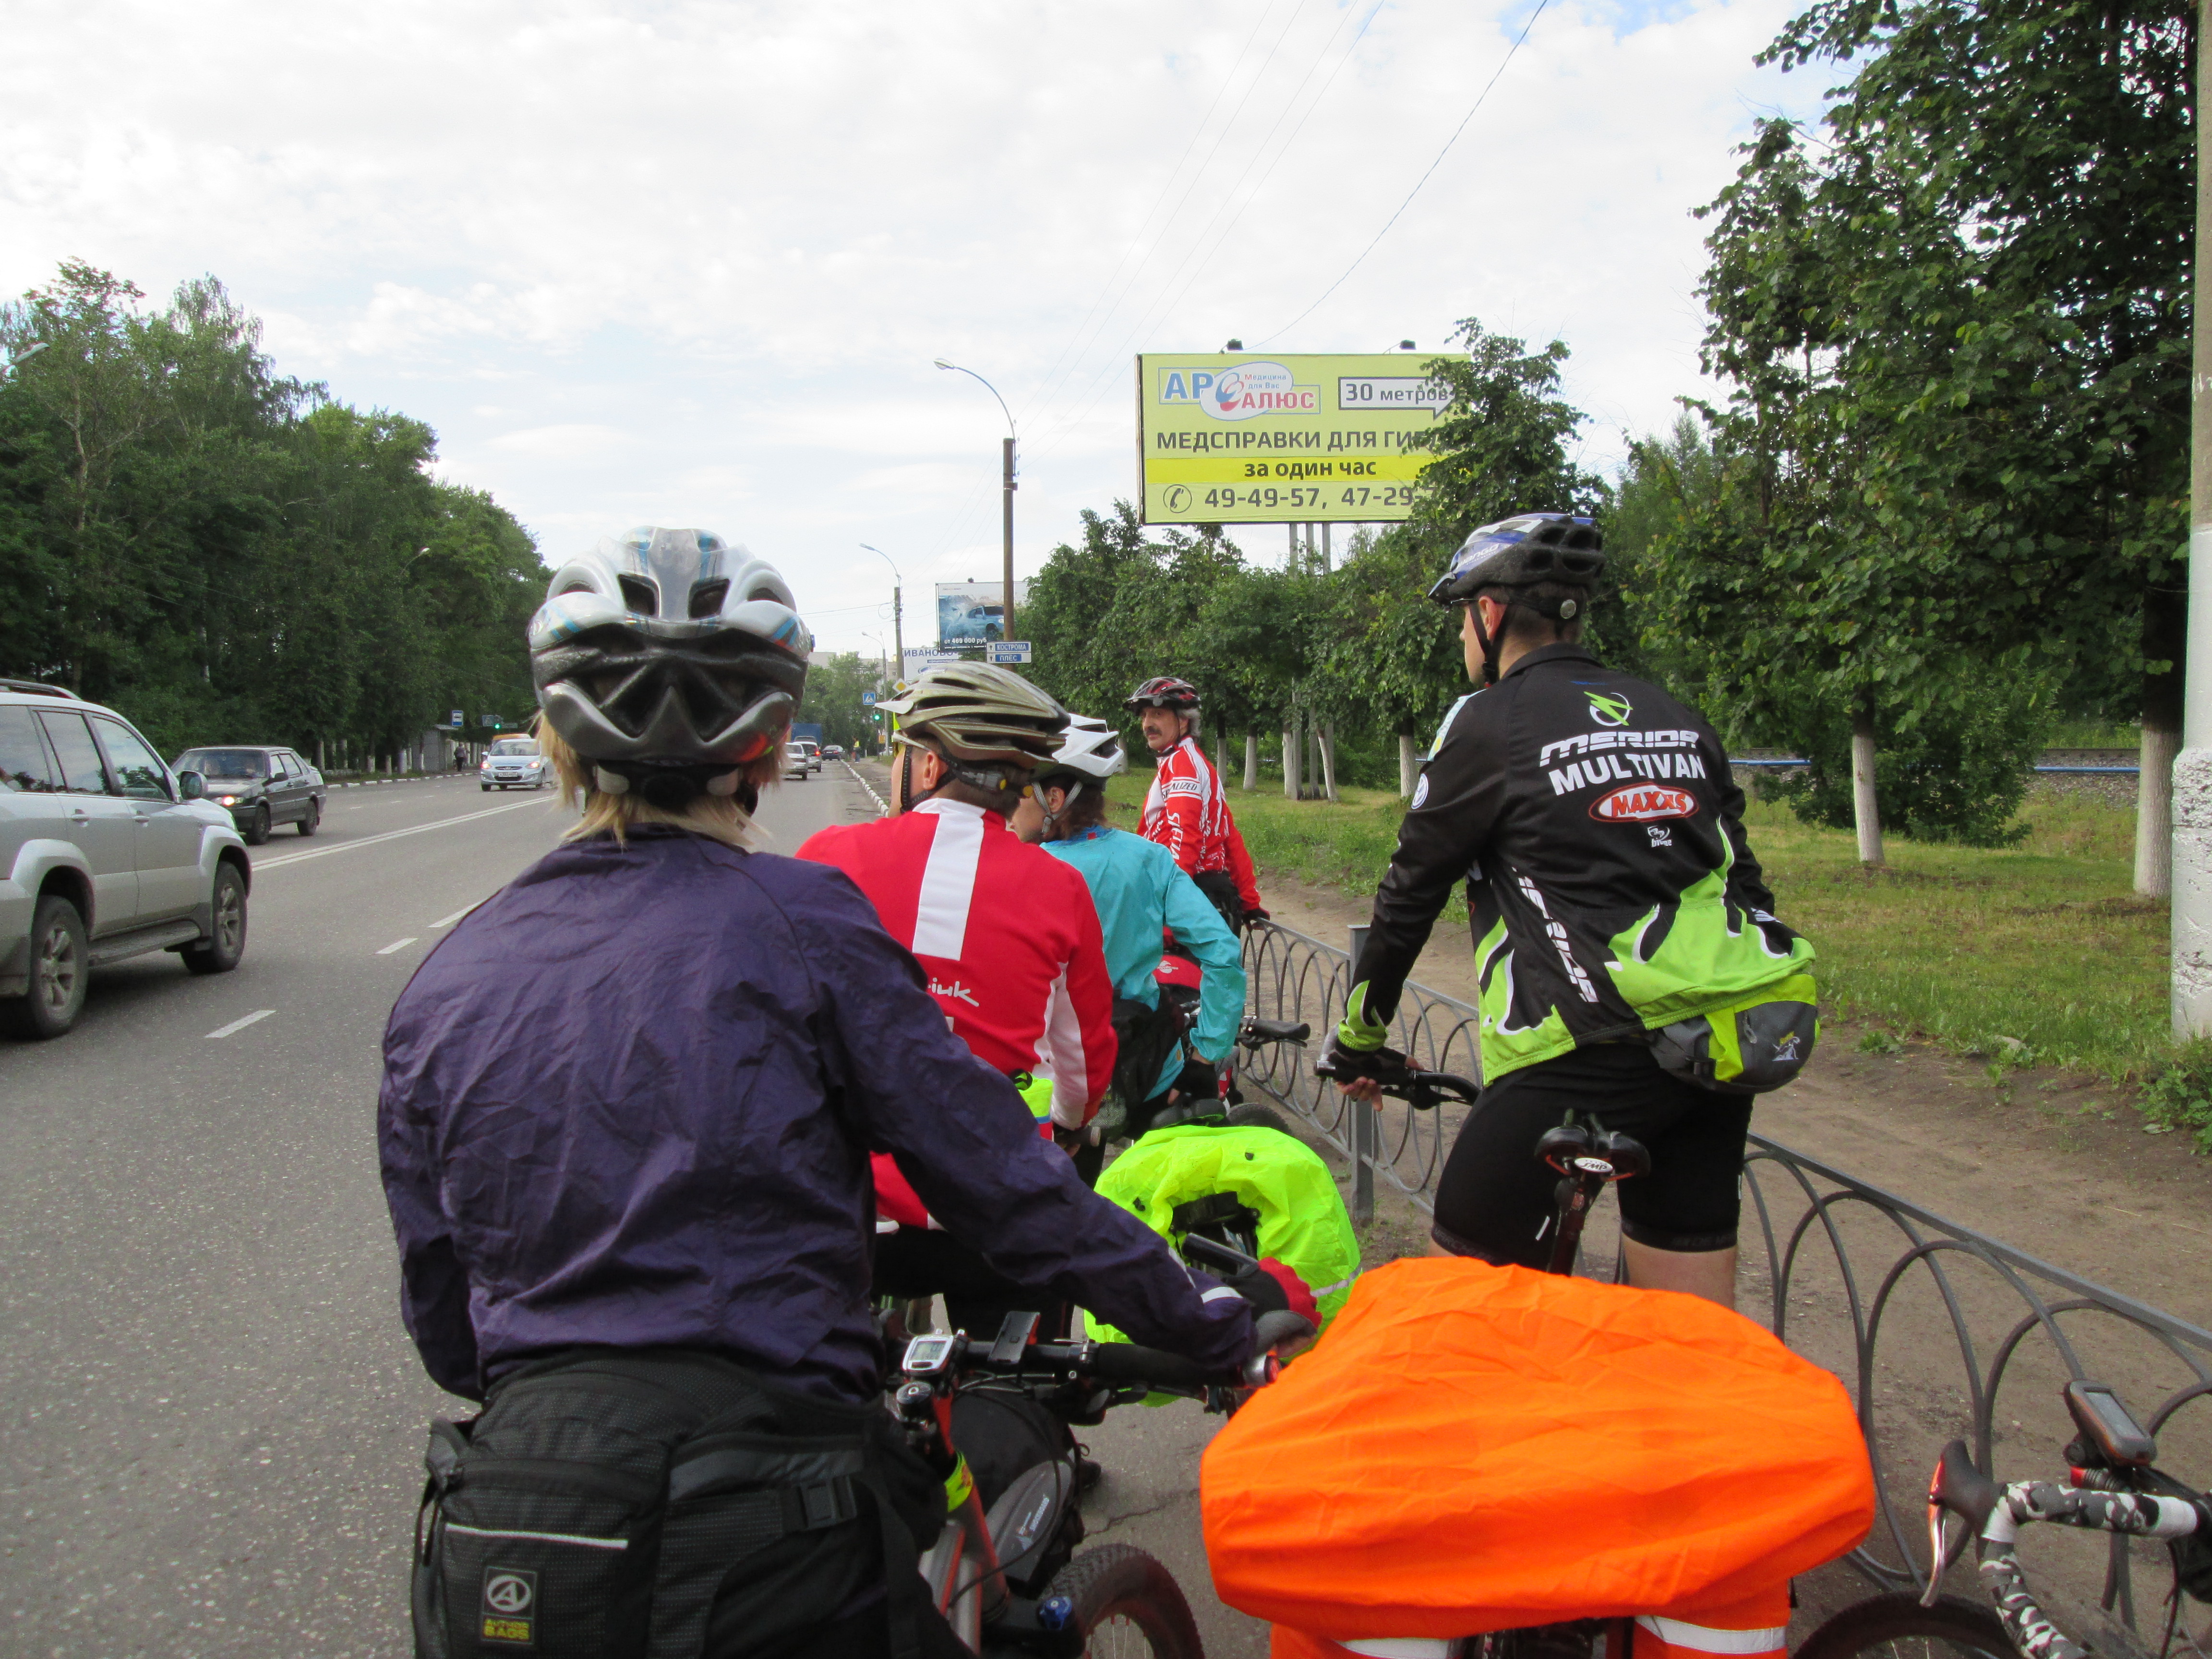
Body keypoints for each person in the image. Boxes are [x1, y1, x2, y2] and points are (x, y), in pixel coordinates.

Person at [380, 528, 1281, 1659]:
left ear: (555, 738)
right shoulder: (804, 924)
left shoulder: (447, 975)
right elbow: (1000, 1178)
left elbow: (446, 1320)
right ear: (767, 748)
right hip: (771, 1518)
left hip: (516, 1522)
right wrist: (1202, 1318)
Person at [1325, 514, 1817, 1309]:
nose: (1462, 636)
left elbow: (1408, 897)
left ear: (1489, 614)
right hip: (1713, 1051)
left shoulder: (1487, 724)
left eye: (1462, 619)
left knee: (1459, 1314)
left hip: (1580, 1052)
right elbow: (1744, 886)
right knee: (1684, 1336)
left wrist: (1358, 1041)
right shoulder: (1675, 714)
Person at [794, 661, 1123, 1338]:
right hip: (992, 1207)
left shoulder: (828, 856)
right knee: (1020, 1377)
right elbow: (1085, 1061)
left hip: (850, 1205)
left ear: (928, 766)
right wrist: (1069, 1122)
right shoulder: (1060, 889)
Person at [1009, 713, 1245, 1140]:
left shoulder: (1019, 871)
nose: (1011, 804)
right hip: (1148, 1067)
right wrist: (1206, 1056)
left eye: (1021, 790)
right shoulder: (1150, 858)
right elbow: (1223, 952)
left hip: (1057, 1078)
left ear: (1055, 799)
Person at [1124, 675, 1265, 933]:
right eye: (1144, 716)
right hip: (1207, 895)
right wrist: (1248, 899)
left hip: (1191, 898)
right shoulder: (1191, 761)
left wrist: (1169, 912)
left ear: (1183, 719)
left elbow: (1184, 838)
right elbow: (1228, 836)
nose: (1147, 724)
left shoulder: (1183, 766)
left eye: (1157, 714)